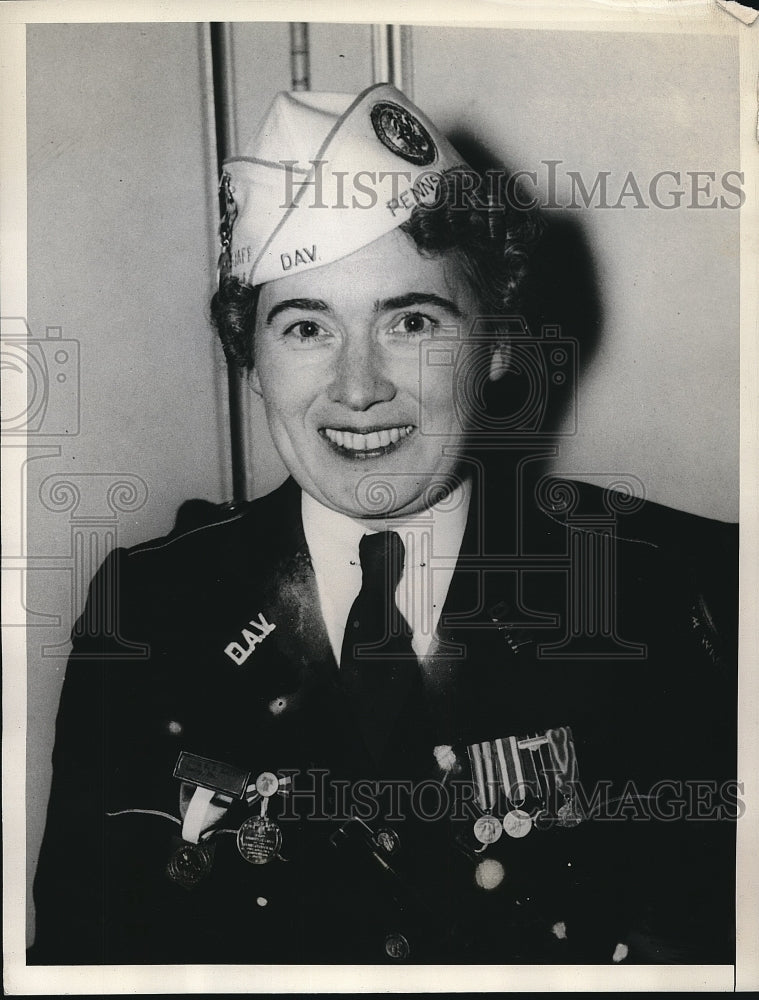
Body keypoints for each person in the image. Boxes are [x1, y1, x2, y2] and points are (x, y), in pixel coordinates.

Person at [30, 83, 737, 966]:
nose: (357, 387)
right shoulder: (148, 609)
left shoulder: (678, 593)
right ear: (250, 359)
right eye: (304, 327)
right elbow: (82, 955)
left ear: (500, 342)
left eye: (408, 320)